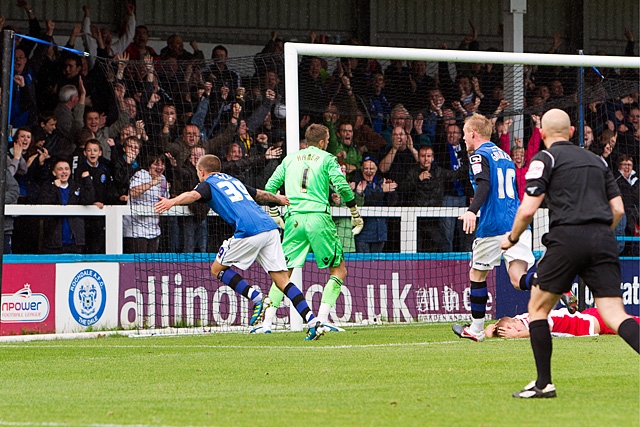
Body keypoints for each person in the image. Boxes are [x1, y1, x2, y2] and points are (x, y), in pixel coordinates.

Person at [501, 108, 640, 399]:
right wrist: (599, 232)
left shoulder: (545, 159)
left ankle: (543, 384)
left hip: (566, 239)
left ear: (541, 134)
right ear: (572, 133)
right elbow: (617, 209)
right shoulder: (598, 161)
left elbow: (527, 209)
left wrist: (511, 239)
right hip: (602, 238)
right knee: (614, 315)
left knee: (537, 309)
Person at [154, 154, 326, 340]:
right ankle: (312, 321)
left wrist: (171, 201)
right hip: (269, 228)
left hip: (249, 230)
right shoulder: (233, 180)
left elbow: (193, 195)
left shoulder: (208, 183)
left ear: (201, 172)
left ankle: (256, 297)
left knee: (217, 269)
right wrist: (277, 199)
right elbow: (259, 194)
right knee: (283, 281)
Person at [255, 124, 364, 334]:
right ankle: (322, 319)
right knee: (339, 270)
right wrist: (354, 211)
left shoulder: (289, 159)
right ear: (323, 142)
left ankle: (267, 323)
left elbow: (270, 187)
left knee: (283, 273)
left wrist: (275, 213)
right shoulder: (327, 159)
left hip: (294, 219)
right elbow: (341, 186)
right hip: (318, 219)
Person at [452, 113, 536, 342]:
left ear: (473, 134)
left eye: (464, 135)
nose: (463, 140)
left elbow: (484, 184)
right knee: (518, 279)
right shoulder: (505, 156)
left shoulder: (479, 155)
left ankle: (476, 329)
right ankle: (553, 282)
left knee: (477, 274)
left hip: (493, 225)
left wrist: (471, 211)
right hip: (517, 222)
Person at [485, 307, 640, 339]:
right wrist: (492, 329)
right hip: (587, 317)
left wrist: (516, 336)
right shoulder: (520, 318)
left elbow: (543, 329)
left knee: (632, 327)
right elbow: (496, 326)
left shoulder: (533, 321)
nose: (514, 331)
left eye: (511, 329)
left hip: (599, 321)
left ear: (515, 322)